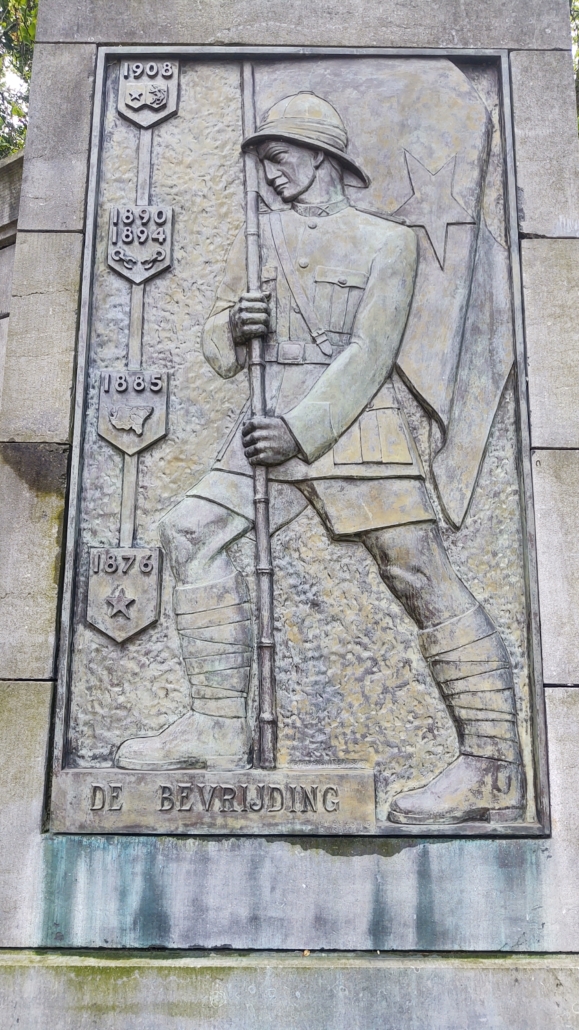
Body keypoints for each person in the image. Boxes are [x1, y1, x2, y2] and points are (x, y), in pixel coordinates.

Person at [115, 92, 524, 826]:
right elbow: (220, 351)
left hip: (348, 427)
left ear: (321, 157)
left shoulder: (384, 242)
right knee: (188, 531)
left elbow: (372, 352)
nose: (271, 176)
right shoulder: (259, 235)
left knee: (417, 571)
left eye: (279, 160)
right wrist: (232, 328)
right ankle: (215, 726)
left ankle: (491, 762)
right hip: (263, 416)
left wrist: (300, 433)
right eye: (265, 165)